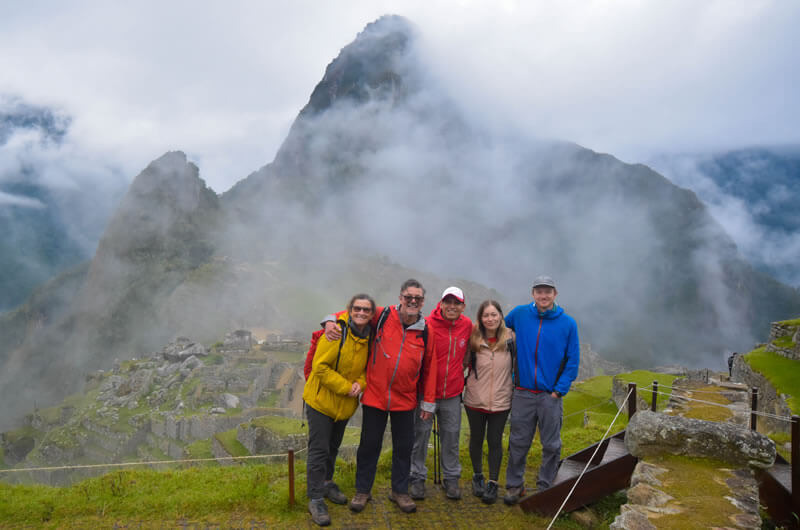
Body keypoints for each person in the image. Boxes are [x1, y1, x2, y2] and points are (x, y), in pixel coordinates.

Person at [323, 279, 437, 514]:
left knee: (404, 447)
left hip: (405, 400)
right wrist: (329, 321)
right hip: (375, 396)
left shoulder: (426, 331)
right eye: (408, 297)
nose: (412, 301)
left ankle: (400, 492)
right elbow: (349, 313)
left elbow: (429, 368)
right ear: (400, 298)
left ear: (423, 301)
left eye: (417, 298)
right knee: (369, 446)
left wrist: (428, 401)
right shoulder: (382, 315)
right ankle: (363, 491)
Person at [503, 275, 580, 505]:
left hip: (549, 395)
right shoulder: (519, 314)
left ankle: (545, 486)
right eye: (539, 291)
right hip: (523, 392)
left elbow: (573, 361)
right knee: (518, 441)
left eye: (547, 291)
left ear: (555, 294)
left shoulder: (568, 323)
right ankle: (515, 486)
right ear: (533, 293)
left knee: (551, 444)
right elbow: (497, 327)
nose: (543, 296)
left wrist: (559, 391)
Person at [303, 293, 375, 526]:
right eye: (357, 309)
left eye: (366, 310)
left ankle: (326, 484)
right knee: (319, 450)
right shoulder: (336, 332)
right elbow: (319, 368)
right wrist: (347, 387)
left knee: (333, 447)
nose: (361, 313)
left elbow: (365, 370)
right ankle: (315, 498)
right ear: (349, 310)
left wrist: (360, 385)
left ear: (371, 314)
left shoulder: (368, 338)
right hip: (321, 402)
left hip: (344, 406)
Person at [409, 286, 472, 500]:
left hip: (452, 393)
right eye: (449, 302)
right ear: (441, 303)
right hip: (425, 393)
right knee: (420, 435)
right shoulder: (427, 324)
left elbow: (467, 355)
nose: (452, 306)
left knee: (451, 436)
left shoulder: (467, 326)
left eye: (457, 303)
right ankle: (416, 477)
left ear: (463, 306)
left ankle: (451, 477)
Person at [462, 300, 514, 504]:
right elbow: (461, 363)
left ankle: (493, 482)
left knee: (495, 441)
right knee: (476, 438)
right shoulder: (473, 339)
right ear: (480, 318)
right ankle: (477, 477)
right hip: (475, 399)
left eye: (494, 314)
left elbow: (520, 366)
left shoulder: (511, 340)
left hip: (501, 400)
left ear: (500, 316)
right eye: (486, 315)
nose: (490, 319)